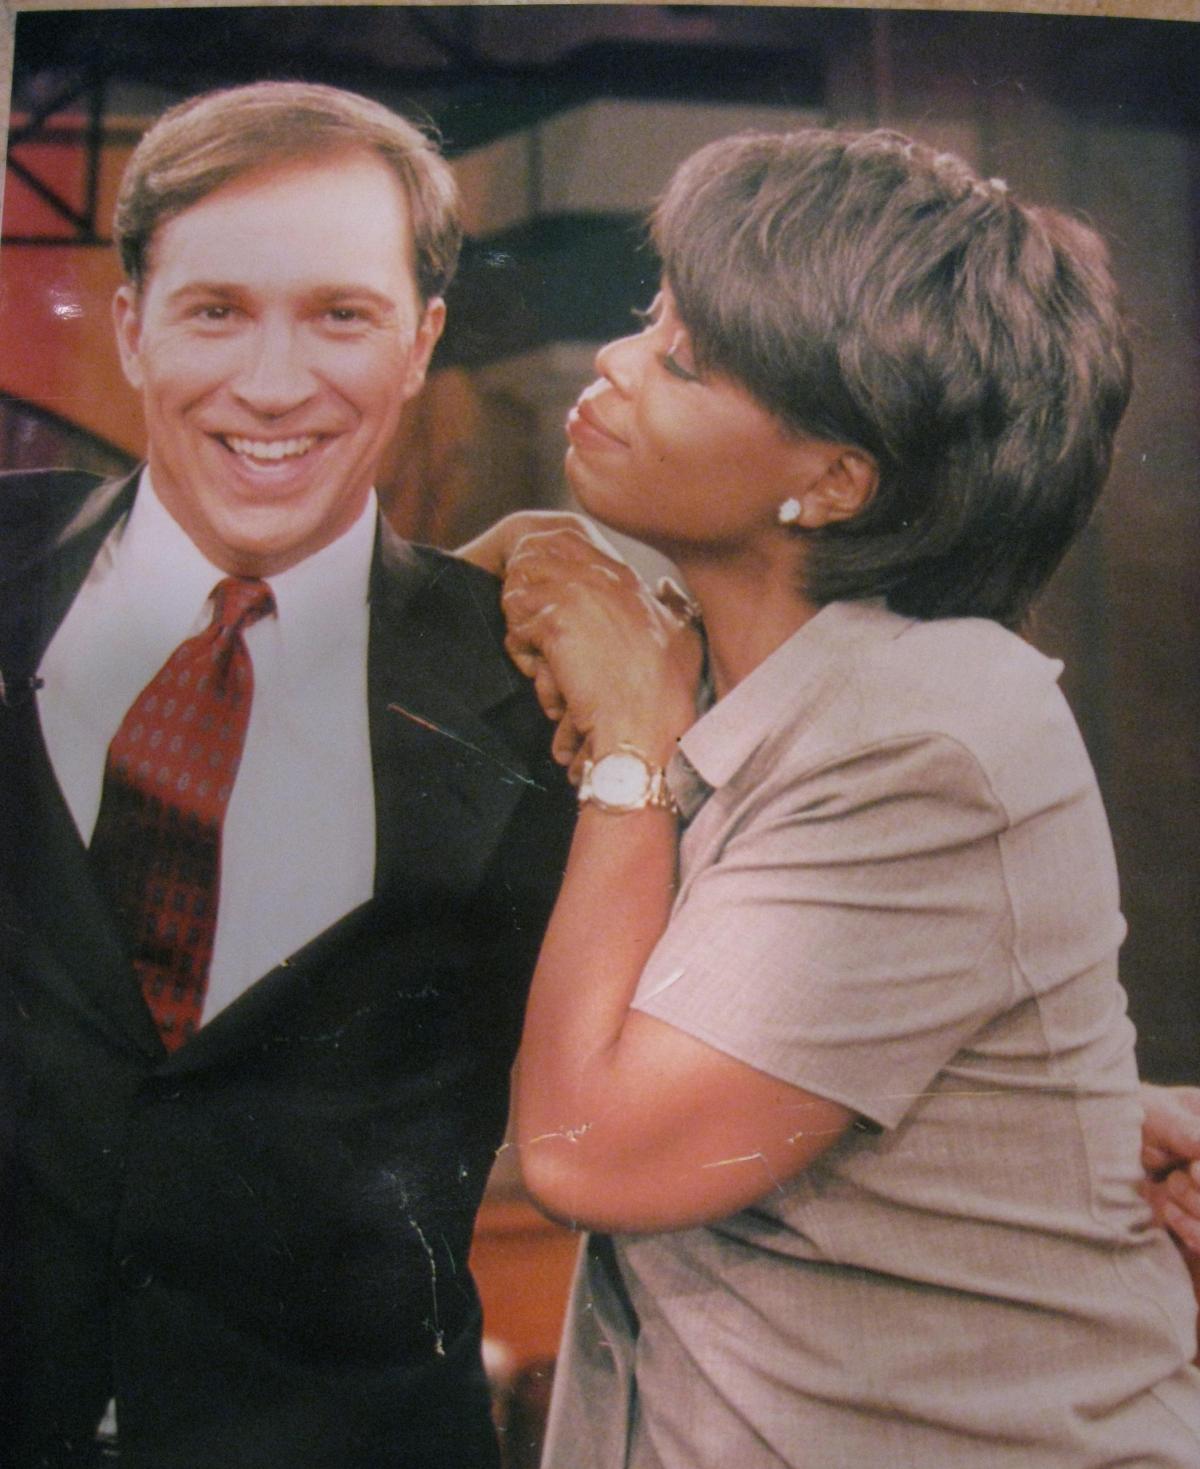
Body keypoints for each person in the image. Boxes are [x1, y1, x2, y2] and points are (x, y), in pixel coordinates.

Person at [465, 128, 1200, 1465]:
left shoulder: (930, 730)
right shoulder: (731, 672)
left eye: (686, 359)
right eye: (653, 316)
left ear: (835, 480)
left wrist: (629, 753)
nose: (617, 361)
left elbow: (588, 1153)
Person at [0, 82, 575, 1469]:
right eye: (216, 311)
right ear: (129, 327)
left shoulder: (537, 693)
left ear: (420, 341)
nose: (271, 384)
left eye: (340, 316)